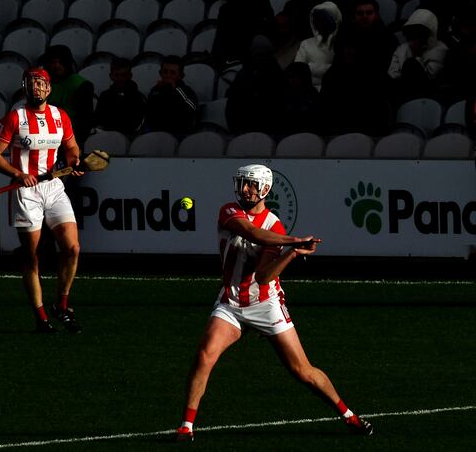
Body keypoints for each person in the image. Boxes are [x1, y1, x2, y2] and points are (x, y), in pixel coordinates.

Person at [174, 164, 374, 442]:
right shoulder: (229, 212)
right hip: (231, 301)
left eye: (251, 185)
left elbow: (265, 276)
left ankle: (348, 414)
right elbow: (252, 233)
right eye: (243, 183)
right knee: (205, 356)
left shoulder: (275, 225)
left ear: (265, 189)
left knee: (302, 371)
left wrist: (291, 254)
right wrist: (294, 240)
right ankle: (186, 426)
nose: (245, 189)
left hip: (265, 304)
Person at [0, 67, 84, 334]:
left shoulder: (60, 116)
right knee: (32, 256)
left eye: (41, 84)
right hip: (25, 191)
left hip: (53, 186)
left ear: (49, 89)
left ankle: (61, 304)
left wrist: (73, 162)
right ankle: (40, 317)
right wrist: (17, 173)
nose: (36, 88)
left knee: (72, 248)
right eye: (31, 83)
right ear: (25, 87)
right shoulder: (15, 117)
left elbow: (72, 147)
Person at [41, 45, 95, 148]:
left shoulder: (81, 85)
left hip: (70, 143)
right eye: (53, 62)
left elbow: (85, 121)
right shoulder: (41, 83)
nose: (57, 65)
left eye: (61, 62)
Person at [388, 8, 448, 99]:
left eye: (419, 32)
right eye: (412, 32)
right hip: (401, 93)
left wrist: (417, 56)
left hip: (427, 95)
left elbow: (430, 77)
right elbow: (393, 75)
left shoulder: (440, 49)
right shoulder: (402, 49)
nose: (415, 36)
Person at [142, 55, 198, 138]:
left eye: (172, 72)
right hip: (155, 135)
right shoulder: (155, 90)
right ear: (160, 73)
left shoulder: (186, 91)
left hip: (178, 135)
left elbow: (192, 107)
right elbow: (148, 114)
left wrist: (175, 89)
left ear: (181, 75)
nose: (168, 75)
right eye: (165, 72)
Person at [294, 1, 343, 90]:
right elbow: (298, 71)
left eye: (322, 19)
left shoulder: (343, 44)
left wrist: (311, 67)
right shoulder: (306, 44)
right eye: (316, 20)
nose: (319, 23)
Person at [93, 57, 146, 138]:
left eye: (123, 75)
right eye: (117, 75)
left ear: (130, 76)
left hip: (129, 138)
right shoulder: (105, 96)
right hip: (106, 136)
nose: (120, 78)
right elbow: (98, 119)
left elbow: (138, 123)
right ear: (111, 76)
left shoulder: (137, 97)